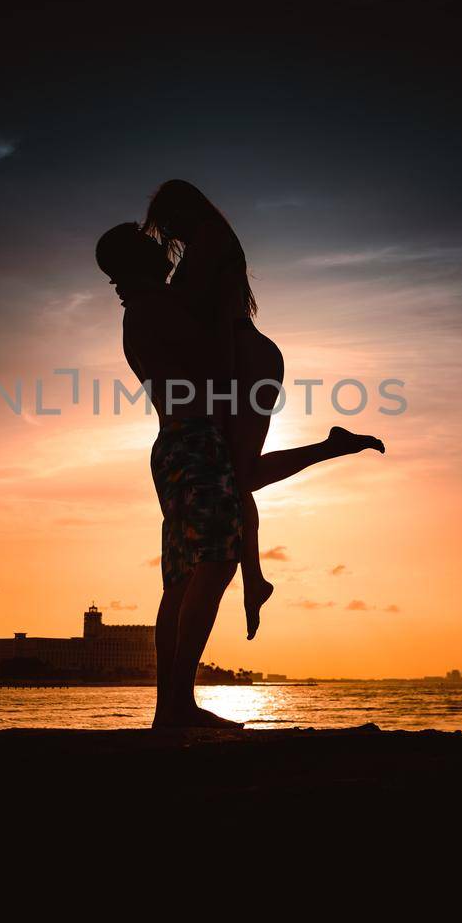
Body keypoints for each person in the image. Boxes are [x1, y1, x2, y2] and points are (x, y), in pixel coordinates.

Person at [142, 180, 385, 640]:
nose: (167, 230)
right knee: (234, 477)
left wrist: (222, 380)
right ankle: (255, 580)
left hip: (243, 360)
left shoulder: (211, 240)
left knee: (241, 475)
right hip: (238, 359)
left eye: (168, 219)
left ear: (184, 209)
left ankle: (329, 449)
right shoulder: (204, 242)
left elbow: (222, 318)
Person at [96, 222, 245, 728]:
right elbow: (217, 366)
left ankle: (171, 707)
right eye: (149, 245)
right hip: (195, 441)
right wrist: (225, 310)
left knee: (183, 577)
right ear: (136, 263)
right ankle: (177, 703)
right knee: (219, 560)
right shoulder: (154, 307)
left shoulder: (141, 311)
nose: (161, 247)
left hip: (176, 445)